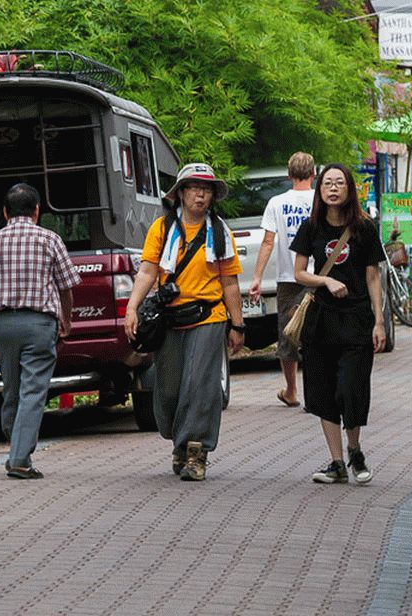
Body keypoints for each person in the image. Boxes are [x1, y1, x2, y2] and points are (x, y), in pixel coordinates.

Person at [124, 163, 245, 481]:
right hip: (170, 319)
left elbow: (230, 282)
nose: (200, 194)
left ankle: (196, 451)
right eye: (193, 188)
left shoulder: (219, 231)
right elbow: (148, 271)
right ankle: (179, 442)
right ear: (180, 193)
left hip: (209, 317)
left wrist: (237, 324)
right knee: (169, 390)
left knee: (200, 386)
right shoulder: (162, 229)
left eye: (206, 189)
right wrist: (131, 308)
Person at [0, 183, 80, 479]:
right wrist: (66, 320)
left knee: (12, 390)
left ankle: (15, 445)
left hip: (3, 325)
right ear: (37, 211)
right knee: (33, 392)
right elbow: (66, 288)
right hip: (40, 325)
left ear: (5, 213)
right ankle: (19, 459)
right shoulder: (50, 240)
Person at [290, 163, 386, 484]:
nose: (333, 188)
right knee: (323, 392)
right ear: (319, 190)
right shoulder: (311, 227)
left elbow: (373, 276)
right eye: (327, 183)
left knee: (351, 388)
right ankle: (336, 462)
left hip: (357, 319)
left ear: (349, 190)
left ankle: (354, 449)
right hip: (321, 319)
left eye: (339, 183)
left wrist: (379, 320)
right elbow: (299, 272)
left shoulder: (364, 229)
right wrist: (325, 282)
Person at [248, 151, 316, 408]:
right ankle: (316, 391)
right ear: (314, 174)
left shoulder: (276, 202)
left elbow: (268, 242)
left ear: (289, 175)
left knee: (288, 333)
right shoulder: (321, 200)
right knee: (315, 334)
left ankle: (291, 390)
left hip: (288, 277)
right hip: (318, 276)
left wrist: (256, 277)